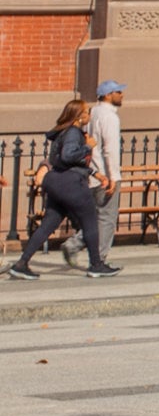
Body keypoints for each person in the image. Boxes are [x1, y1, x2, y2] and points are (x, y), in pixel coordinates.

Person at [8, 97, 117, 280]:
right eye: (87, 112)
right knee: (90, 221)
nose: (89, 115)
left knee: (48, 225)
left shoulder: (62, 132)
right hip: (71, 184)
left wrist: (93, 173)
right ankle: (96, 265)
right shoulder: (74, 132)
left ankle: (21, 264)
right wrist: (87, 148)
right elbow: (68, 156)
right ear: (79, 116)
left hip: (56, 181)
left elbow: (64, 162)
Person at [58, 81, 121, 269]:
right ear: (108, 95)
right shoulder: (109, 117)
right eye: (118, 92)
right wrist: (113, 176)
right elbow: (110, 149)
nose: (122, 95)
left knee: (93, 217)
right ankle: (98, 258)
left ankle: (75, 245)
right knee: (107, 218)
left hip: (90, 172)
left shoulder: (91, 113)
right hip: (104, 174)